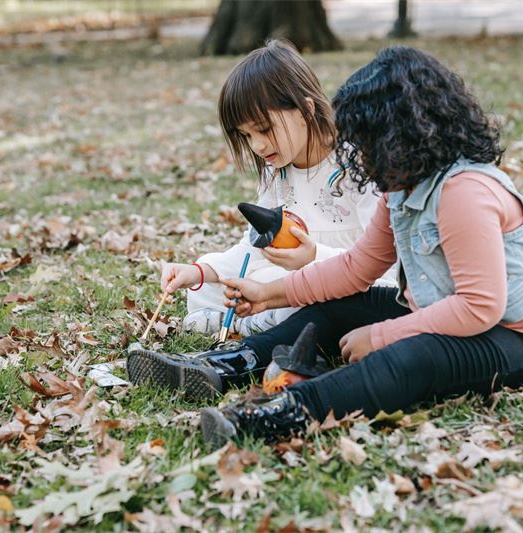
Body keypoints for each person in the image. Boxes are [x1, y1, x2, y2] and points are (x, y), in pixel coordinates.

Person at [195, 45, 523, 448]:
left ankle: (281, 414)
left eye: (365, 144)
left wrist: (382, 336)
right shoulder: (399, 188)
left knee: (410, 359)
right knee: (336, 306)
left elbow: (478, 307)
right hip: (441, 312)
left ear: (404, 135)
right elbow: (356, 268)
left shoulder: (465, 192)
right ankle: (226, 365)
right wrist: (270, 294)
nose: (357, 158)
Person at [126, 41, 393, 397]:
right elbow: (253, 247)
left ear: (305, 109)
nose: (257, 146)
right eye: (246, 135)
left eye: (264, 129)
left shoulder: (355, 164)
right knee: (215, 290)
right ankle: (237, 332)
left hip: (361, 283)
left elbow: (385, 264)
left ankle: (241, 348)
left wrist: (313, 258)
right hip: (296, 276)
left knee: (290, 294)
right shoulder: (276, 170)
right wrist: (200, 272)